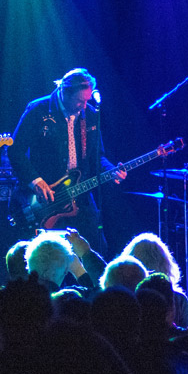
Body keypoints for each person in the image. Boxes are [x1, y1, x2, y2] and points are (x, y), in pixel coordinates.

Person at [9, 68, 125, 252]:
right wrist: (36, 181)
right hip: (47, 198)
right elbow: (15, 151)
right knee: (48, 257)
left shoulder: (91, 115)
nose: (84, 106)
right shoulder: (38, 110)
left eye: (87, 100)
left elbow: (97, 156)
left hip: (79, 195)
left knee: (95, 250)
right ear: (64, 92)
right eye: (80, 101)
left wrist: (111, 170)